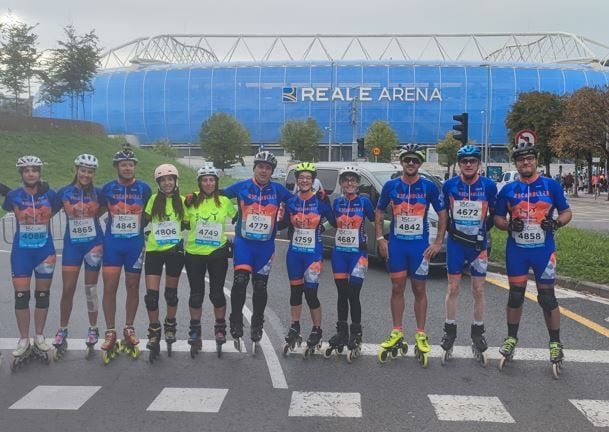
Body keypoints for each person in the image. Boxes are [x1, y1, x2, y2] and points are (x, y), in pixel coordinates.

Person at [494, 141, 572, 378]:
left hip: (543, 251)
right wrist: (508, 225)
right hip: (517, 250)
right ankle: (511, 339)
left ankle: (555, 343)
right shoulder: (508, 190)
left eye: (529, 159)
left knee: (547, 298)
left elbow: (566, 212)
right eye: (520, 160)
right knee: (515, 296)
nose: (525, 163)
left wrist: (556, 222)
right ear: (516, 164)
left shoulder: (551, 186)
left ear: (536, 160)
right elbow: (497, 218)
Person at [375, 144, 447, 367]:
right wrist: (380, 239)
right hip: (396, 245)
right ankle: (397, 331)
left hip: (419, 248)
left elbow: (443, 214)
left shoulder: (428, 187)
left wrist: (437, 242)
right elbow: (379, 211)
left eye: (415, 161)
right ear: (401, 162)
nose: (411, 164)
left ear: (420, 164)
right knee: (397, 288)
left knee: (419, 289)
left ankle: (420, 333)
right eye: (407, 160)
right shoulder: (391, 186)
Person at [223, 151, 292, 353]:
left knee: (260, 286)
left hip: (265, 247)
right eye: (260, 167)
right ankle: (236, 321)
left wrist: (283, 222)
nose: (264, 171)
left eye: (268, 168)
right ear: (254, 168)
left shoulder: (278, 190)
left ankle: (257, 323)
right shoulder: (242, 186)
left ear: (272, 171)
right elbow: (217, 195)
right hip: (244, 244)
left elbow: (298, 203)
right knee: (240, 281)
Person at [440, 145, 497, 366]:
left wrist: (484, 232)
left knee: (478, 289)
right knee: (453, 288)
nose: (469, 164)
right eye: (465, 161)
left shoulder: (489, 186)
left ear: (479, 164)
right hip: (455, 244)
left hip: (478, 246)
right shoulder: (449, 186)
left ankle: (477, 332)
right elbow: (444, 214)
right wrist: (440, 238)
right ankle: (450, 331)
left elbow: (495, 213)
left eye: (473, 161)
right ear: (459, 164)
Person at [3, 156, 58, 369]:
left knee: (42, 295)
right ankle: (24, 338)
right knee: (21, 297)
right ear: (21, 174)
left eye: (35, 170)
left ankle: (40, 336)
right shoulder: (12, 196)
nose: (31, 173)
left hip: (45, 251)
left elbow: (56, 209)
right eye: (27, 170)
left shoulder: (49, 194)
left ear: (40, 172)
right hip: (21, 252)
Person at [100, 148, 152, 364]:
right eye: (124, 164)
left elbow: (149, 213)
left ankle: (129, 327)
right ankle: (110, 330)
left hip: (134, 245)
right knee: (110, 287)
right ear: (117, 167)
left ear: (135, 167)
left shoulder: (144, 188)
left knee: (133, 286)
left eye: (131, 164)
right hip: (112, 245)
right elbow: (96, 211)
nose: (128, 168)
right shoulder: (107, 189)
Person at [52, 154, 105, 360]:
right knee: (67, 288)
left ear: (94, 174)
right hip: (72, 245)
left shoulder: (99, 193)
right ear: (76, 170)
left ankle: (93, 328)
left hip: (94, 244)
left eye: (90, 171)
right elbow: (45, 211)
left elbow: (102, 211)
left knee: (90, 290)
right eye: (83, 170)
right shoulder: (64, 192)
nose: (86, 174)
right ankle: (62, 329)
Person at [279, 162, 334, 358]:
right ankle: (295, 327)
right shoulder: (292, 201)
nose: (304, 180)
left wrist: (326, 202)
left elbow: (335, 221)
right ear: (297, 181)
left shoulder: (319, 201)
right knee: (295, 293)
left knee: (311, 294)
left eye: (307, 178)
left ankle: (317, 329)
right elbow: (282, 224)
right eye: (301, 177)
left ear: (313, 181)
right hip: (294, 253)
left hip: (313, 254)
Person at [183, 166, 236, 358]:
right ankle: (195, 330)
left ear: (216, 182)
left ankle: (220, 328)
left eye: (212, 180)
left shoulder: (224, 201)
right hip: (194, 253)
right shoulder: (191, 200)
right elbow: (179, 218)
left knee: (216, 294)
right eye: (204, 180)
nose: (208, 183)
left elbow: (241, 216)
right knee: (196, 295)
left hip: (217, 253)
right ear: (199, 182)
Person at [324, 166, 375, 363]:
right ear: (342, 183)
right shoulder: (337, 202)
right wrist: (320, 227)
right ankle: (341, 332)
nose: (350, 183)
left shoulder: (364, 202)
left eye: (353, 180)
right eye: (346, 180)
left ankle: (356, 332)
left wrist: (392, 228)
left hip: (358, 255)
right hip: (339, 254)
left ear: (358, 182)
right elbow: (333, 223)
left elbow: (375, 220)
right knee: (341, 293)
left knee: (353, 293)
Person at [143, 164, 185, 363]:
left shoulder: (183, 202)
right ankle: (154, 329)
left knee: (171, 294)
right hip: (154, 251)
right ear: (158, 183)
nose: (167, 183)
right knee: (151, 297)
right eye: (163, 180)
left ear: (175, 181)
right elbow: (141, 220)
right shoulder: (153, 200)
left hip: (174, 253)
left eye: (170, 179)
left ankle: (170, 324)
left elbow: (193, 223)